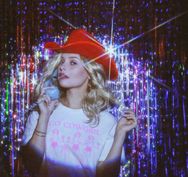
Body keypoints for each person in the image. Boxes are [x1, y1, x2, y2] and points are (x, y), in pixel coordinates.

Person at [21, 29, 137, 177]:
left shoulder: (107, 121)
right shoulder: (41, 111)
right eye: (62, 62)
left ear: (90, 72)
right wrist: (44, 117)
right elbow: (31, 165)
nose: (62, 67)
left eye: (73, 62)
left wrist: (120, 133)